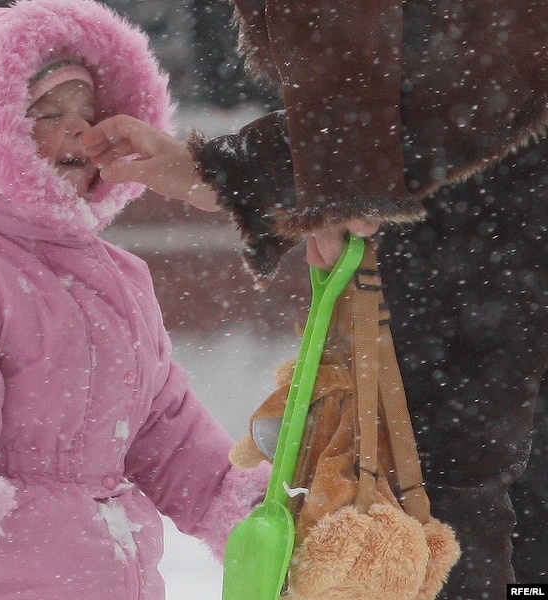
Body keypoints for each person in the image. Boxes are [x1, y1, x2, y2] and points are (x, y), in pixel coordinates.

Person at [82, 1, 548, 597]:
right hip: (480, 205)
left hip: (479, 212)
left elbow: (475, 70)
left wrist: (312, 181)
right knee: (454, 486)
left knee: (428, 489)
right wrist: (299, 179)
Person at [0, 2, 271, 598]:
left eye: (89, 112)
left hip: (104, 568)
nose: (80, 130)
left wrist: (230, 498)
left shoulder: (118, 279)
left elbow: (160, 421)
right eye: (47, 112)